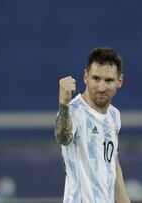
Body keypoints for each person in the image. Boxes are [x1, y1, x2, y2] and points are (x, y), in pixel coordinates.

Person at [55, 47, 131, 203]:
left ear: (119, 81)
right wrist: (63, 105)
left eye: (108, 80)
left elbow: (113, 166)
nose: (101, 87)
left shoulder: (114, 115)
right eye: (96, 79)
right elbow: (63, 137)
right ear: (86, 77)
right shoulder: (73, 111)